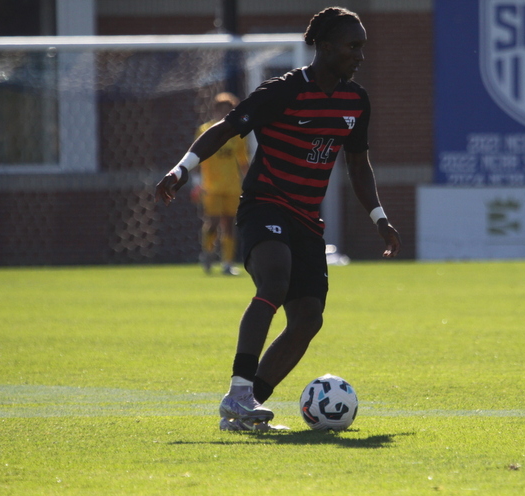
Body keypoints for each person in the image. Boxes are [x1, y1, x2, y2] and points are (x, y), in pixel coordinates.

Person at [155, 7, 401, 431]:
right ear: (325, 48)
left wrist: (379, 217)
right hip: (265, 205)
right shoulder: (283, 91)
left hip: (306, 217)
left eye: (362, 46)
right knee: (275, 279)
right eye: (352, 46)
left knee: (308, 318)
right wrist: (182, 169)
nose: (360, 55)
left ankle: (247, 408)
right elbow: (226, 128)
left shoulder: (355, 101)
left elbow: (358, 166)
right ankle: (236, 391)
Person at [195, 92, 249, 275]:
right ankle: (208, 252)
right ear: (215, 110)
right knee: (213, 222)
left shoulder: (238, 134)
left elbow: (243, 161)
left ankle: (227, 263)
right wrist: (196, 183)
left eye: (229, 110)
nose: (225, 113)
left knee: (229, 223)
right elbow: (196, 156)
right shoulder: (204, 130)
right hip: (211, 186)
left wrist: (249, 183)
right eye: (222, 110)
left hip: (232, 186)